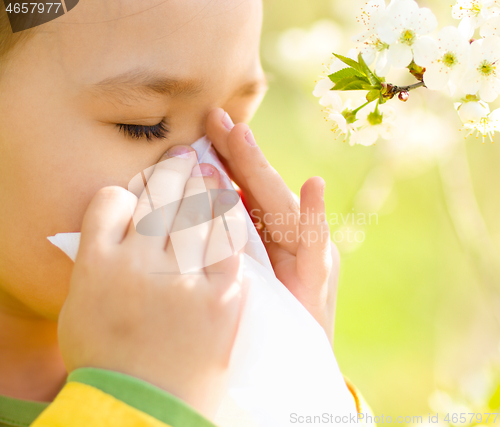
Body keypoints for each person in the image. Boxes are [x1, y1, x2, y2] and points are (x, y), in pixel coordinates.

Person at [0, 0, 372, 425]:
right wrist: (131, 403)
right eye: (144, 125)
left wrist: (297, 379)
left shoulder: (232, 374)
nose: (206, 179)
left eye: (234, 124)